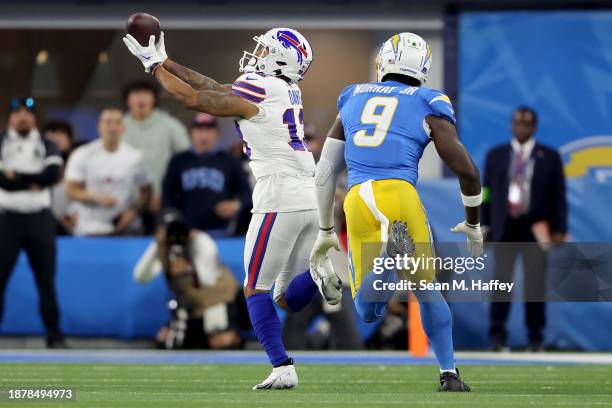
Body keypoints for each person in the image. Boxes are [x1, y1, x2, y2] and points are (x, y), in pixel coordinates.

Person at [124, 27, 341, 390]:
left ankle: (281, 367)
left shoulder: (264, 86)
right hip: (310, 194)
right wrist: (167, 61)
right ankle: (317, 277)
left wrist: (153, 69)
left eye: (264, 50)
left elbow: (197, 100)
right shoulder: (286, 88)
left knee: (255, 289)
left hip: (280, 195)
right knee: (285, 299)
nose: (256, 54)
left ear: (280, 57)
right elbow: (218, 89)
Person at [309, 33, 482, 392]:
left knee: (367, 311)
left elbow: (325, 170)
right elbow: (467, 170)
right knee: (427, 289)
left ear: (384, 60)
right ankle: (448, 374)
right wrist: (472, 223)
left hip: (357, 198)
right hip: (397, 195)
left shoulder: (352, 95)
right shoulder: (427, 99)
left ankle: (388, 256)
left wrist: (326, 229)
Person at [483, 107, 567, 352]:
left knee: (535, 284)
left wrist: (559, 228)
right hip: (503, 226)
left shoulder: (549, 157)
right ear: (511, 125)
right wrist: (484, 224)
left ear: (534, 127)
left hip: (535, 226)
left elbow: (558, 196)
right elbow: (485, 192)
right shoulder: (496, 155)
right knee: (501, 284)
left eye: (526, 124)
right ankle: (497, 337)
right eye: (517, 123)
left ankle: (535, 338)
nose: (521, 128)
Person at [0, 97, 65, 348]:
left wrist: (15, 176)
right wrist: (31, 181)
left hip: (39, 219)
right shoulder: (2, 142)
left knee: (46, 281)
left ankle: (54, 337)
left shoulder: (47, 143)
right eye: (18, 113)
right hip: (6, 220)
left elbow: (51, 175)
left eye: (28, 113)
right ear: (10, 118)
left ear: (35, 119)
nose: (23, 117)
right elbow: (2, 182)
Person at [134, 208, 243, 349]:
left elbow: (207, 281)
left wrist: (187, 270)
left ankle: (225, 334)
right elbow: (140, 277)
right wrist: (158, 245)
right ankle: (200, 337)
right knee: (166, 338)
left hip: (219, 300)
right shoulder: (162, 246)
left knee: (222, 342)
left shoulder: (201, 241)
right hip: (192, 306)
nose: (175, 234)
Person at [64, 108, 152, 236]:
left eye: (117, 123)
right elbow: (71, 191)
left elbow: (147, 190)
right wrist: (96, 197)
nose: (113, 127)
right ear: (99, 126)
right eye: (108, 122)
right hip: (89, 227)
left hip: (123, 227)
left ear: (123, 128)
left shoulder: (135, 157)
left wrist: (133, 211)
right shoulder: (82, 154)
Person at [162, 113, 252, 237]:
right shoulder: (178, 161)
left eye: (208, 130)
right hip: (187, 233)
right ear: (191, 132)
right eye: (199, 129)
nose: (204, 135)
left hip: (221, 232)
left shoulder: (229, 161)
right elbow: (167, 197)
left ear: (217, 133)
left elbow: (248, 195)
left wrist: (235, 205)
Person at [122, 80, 190, 227]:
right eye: (135, 94)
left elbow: (185, 162)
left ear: (154, 99)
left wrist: (166, 194)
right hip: (126, 204)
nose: (140, 98)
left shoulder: (171, 126)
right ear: (127, 100)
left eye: (146, 94)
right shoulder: (119, 127)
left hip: (163, 201)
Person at [42, 120, 78, 234]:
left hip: (71, 223)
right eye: (51, 134)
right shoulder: (34, 164)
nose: (55, 139)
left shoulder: (78, 163)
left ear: (69, 140)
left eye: (60, 134)